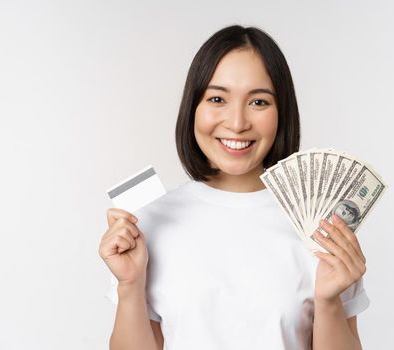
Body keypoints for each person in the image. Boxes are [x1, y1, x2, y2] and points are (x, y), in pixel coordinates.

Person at [98, 25, 370, 350]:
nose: (238, 122)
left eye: (258, 102)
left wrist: (328, 301)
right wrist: (130, 284)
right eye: (217, 98)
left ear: (282, 113)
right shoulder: (149, 223)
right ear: (192, 108)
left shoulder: (322, 228)